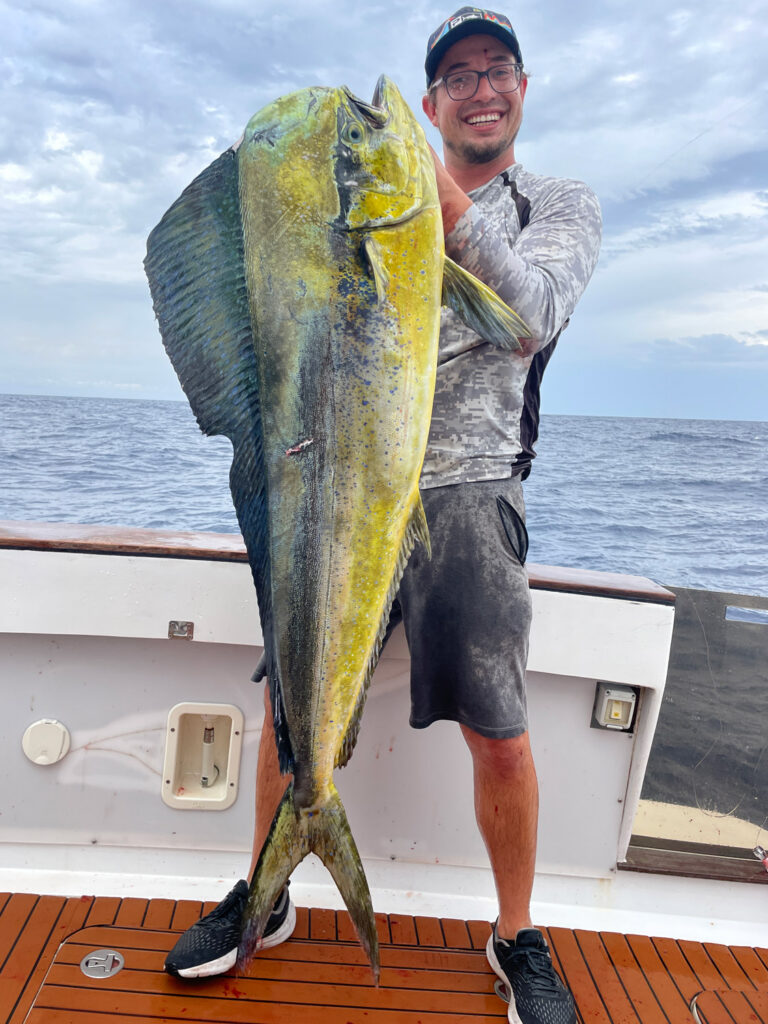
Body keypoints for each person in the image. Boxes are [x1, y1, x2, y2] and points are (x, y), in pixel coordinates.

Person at [165, 8, 601, 1023]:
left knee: (499, 730)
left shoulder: (556, 204)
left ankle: (515, 934)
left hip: (470, 490)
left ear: (523, 90)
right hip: (332, 484)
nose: (480, 87)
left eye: (497, 69)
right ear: (434, 100)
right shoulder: (356, 198)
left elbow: (533, 314)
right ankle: (265, 892)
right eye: (456, 77)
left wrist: (432, 204)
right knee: (293, 708)